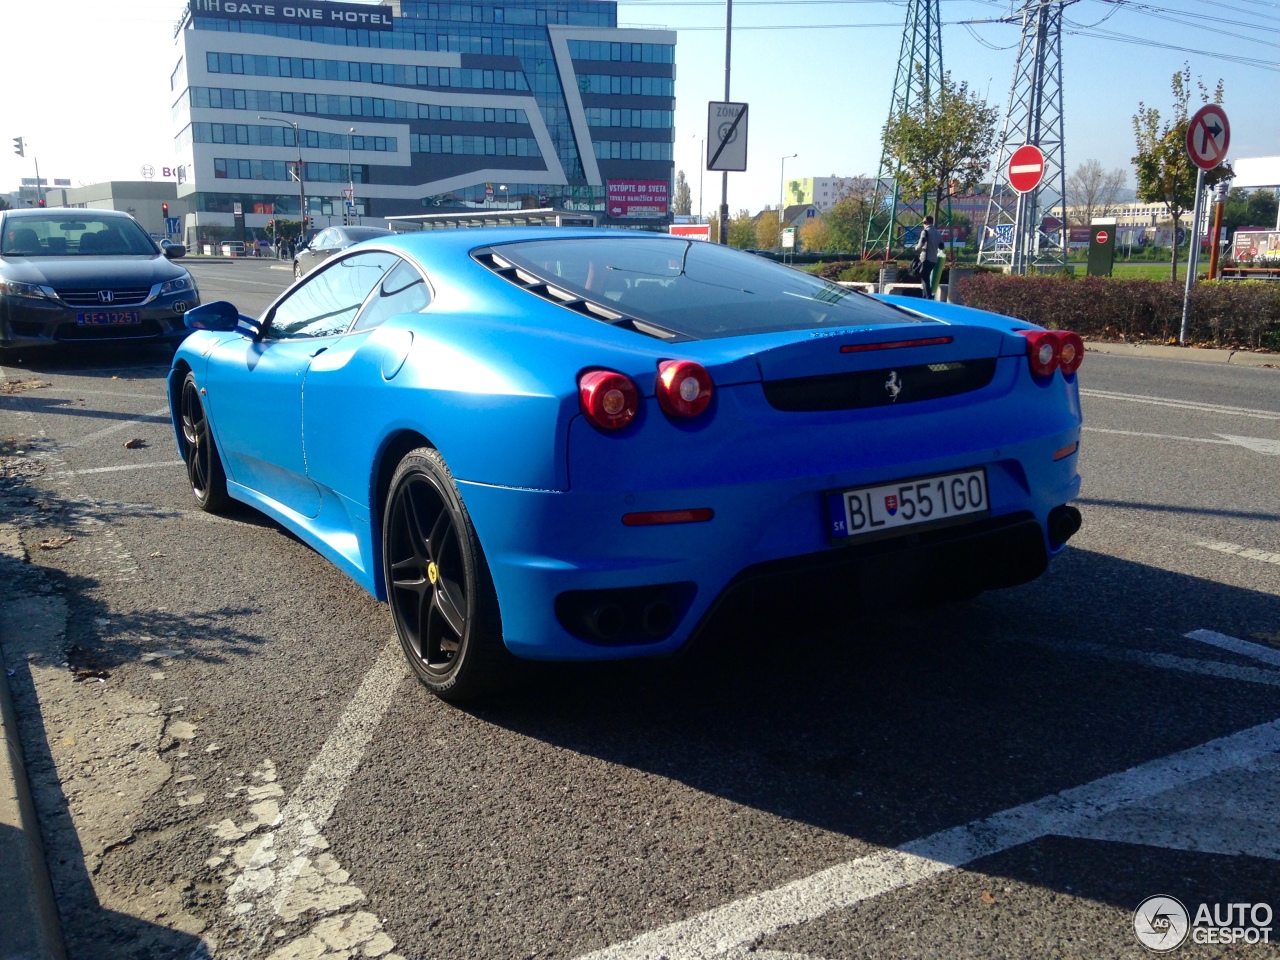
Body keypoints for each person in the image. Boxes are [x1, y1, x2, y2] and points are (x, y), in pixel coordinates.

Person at [915, 215, 942, 299]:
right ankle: (925, 296)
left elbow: (921, 244)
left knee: (924, 277)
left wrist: (917, 247)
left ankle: (928, 296)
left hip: (925, 258)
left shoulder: (925, 232)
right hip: (934, 259)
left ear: (926, 222)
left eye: (924, 222)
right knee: (925, 276)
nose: (923, 224)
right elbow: (941, 246)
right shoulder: (938, 233)